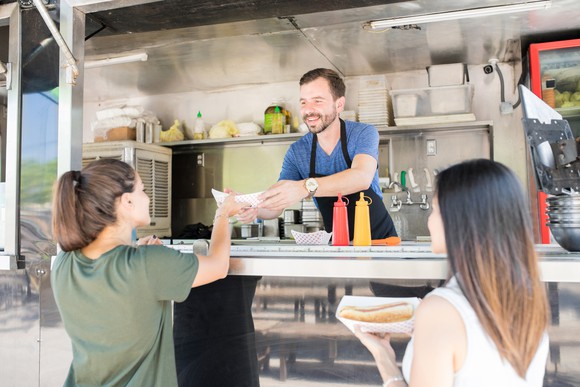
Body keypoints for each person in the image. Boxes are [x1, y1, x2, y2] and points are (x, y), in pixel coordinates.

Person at [51, 158, 246, 387]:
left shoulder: (63, 262)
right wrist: (224, 214)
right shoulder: (147, 264)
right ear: (127, 201)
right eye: (142, 190)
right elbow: (218, 265)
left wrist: (136, 253)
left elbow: (111, 274)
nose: (148, 198)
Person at [354, 159, 550, 387]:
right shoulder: (528, 299)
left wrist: (384, 358)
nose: (429, 220)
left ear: (460, 221)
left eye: (436, 209)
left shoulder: (440, 310)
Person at [237, 68, 396, 241]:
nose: (308, 110)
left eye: (317, 101)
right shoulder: (298, 152)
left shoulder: (362, 133)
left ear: (339, 104)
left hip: (380, 243)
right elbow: (278, 201)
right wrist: (254, 207)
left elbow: (361, 177)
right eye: (303, 102)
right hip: (338, 245)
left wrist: (303, 187)